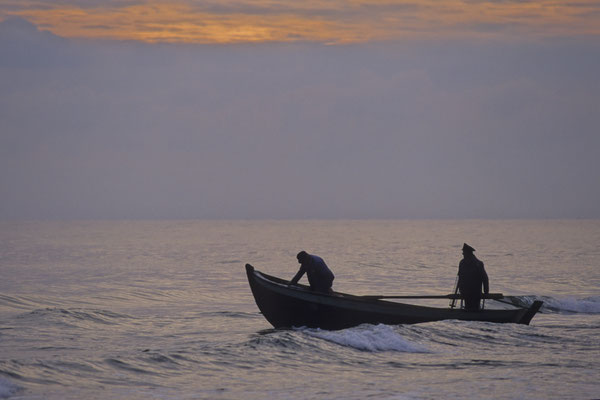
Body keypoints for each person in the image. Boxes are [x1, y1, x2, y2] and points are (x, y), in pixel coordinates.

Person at [457, 243, 489, 311]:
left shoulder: (478, 264)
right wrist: (460, 290)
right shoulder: (462, 263)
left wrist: (486, 292)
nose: (462, 254)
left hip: (475, 293)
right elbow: (460, 277)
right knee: (467, 309)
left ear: (469, 253)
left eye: (464, 252)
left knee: (475, 309)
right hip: (465, 293)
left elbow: (485, 278)